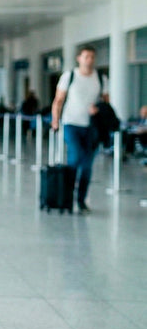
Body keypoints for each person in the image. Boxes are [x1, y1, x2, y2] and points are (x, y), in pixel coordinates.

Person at [51, 45, 109, 213]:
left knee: (87, 165)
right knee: (75, 157)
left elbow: (106, 103)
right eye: (86, 57)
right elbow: (58, 100)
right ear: (79, 58)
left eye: (92, 57)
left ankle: (81, 199)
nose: (89, 60)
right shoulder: (69, 76)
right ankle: (68, 196)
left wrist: (99, 109)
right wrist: (56, 120)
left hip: (91, 127)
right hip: (71, 123)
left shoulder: (100, 78)